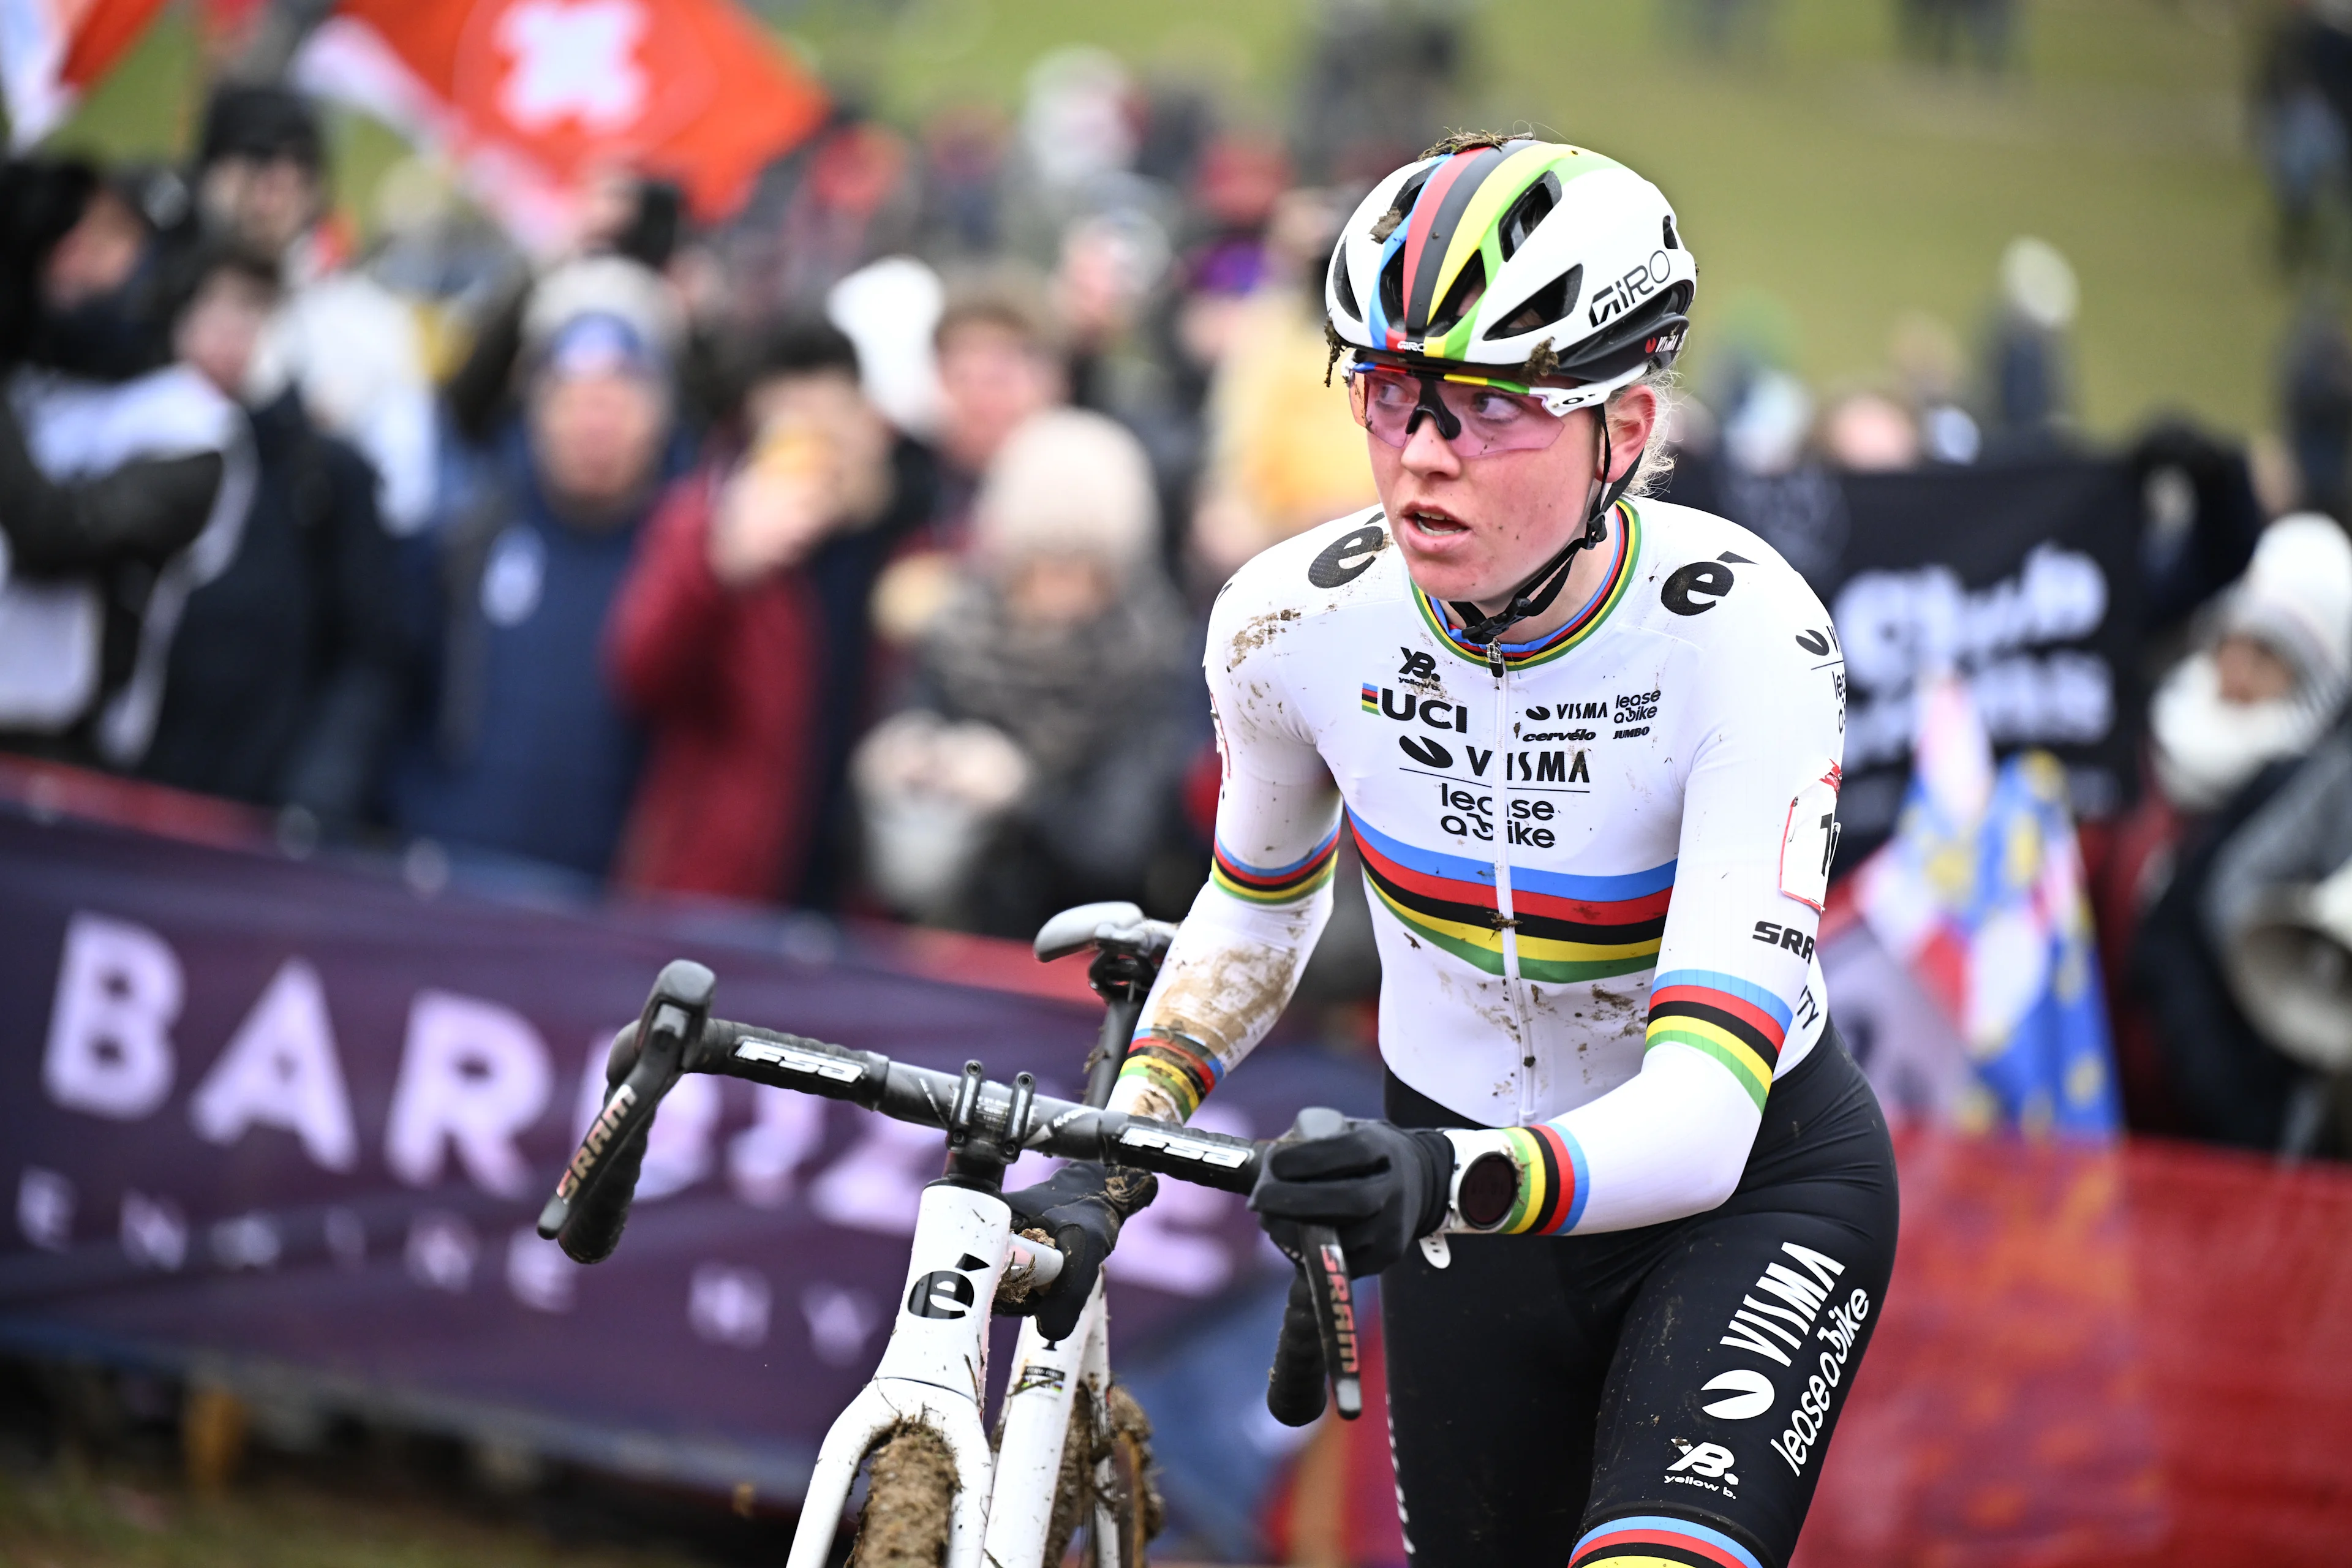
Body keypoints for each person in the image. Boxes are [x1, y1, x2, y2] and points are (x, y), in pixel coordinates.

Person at [1008, 135, 1897, 1568]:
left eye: (1489, 407)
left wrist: (1436, 1178)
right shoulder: (1287, 621)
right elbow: (1251, 909)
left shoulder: (1743, 639)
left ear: (1626, 426)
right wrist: (1120, 1142)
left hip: (1734, 1196)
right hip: (1463, 1202)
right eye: (1390, 393)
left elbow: (1698, 1116)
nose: (1422, 451)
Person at [605, 315, 932, 905]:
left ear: (867, 422)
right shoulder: (706, 527)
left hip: (855, 899)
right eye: (791, 430)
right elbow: (640, 672)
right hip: (722, 891)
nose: (816, 452)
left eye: (830, 425)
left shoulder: (911, 546)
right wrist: (720, 568)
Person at [389, 259, 681, 879]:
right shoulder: (469, 529)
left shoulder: (684, 561)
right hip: (440, 882)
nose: (594, 423)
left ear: (660, 414)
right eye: (574, 398)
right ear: (537, 406)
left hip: (602, 918)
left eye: (618, 399)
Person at [853, 407, 1192, 935]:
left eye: (1084, 568)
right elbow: (907, 725)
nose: (1060, 592)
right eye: (1042, 566)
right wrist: (902, 756)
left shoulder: (1149, 659)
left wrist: (1020, 792)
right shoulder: (956, 635)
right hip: (948, 938)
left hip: (1078, 960)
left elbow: (1119, 849)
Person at [137, 247, 404, 827]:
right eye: (212, 308)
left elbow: (369, 658)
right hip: (123, 791)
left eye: (254, 311)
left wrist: (313, 799)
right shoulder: (129, 441)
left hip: (260, 812)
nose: (229, 336)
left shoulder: (327, 476)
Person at [190, 85, 440, 536]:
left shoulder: (369, 325)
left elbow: (406, 496)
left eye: (295, 176)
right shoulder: (157, 305)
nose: (271, 200)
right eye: (255, 170)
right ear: (208, 177)